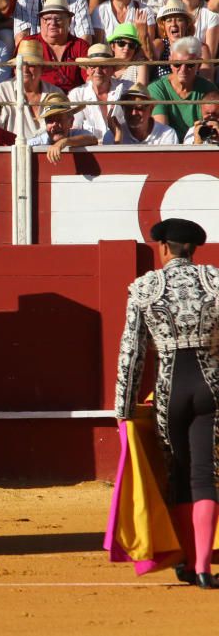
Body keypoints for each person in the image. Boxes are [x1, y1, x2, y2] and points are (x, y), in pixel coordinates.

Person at [114, 217, 219, 590]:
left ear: (163, 248)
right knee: (205, 475)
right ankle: (205, 567)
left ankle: (188, 564)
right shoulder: (215, 281)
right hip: (210, 387)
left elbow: (133, 352)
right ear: (193, 249)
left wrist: (123, 410)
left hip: (170, 390)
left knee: (179, 476)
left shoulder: (146, 287)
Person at [0, 40, 65, 142]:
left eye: (31, 64)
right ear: (14, 69)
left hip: (49, 152)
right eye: (20, 64)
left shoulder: (55, 93)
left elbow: (66, 127)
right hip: (13, 152)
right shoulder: (2, 91)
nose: (25, 69)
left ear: (42, 69)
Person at [18, 0, 90, 93]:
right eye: (47, 19)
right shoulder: (28, 44)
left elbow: (90, 79)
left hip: (73, 103)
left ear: (69, 21)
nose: (52, 23)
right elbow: (17, 78)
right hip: (40, 101)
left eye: (58, 18)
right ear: (41, 21)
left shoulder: (80, 46)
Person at [150, 36, 218, 138]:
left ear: (199, 64)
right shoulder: (157, 88)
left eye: (189, 65)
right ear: (170, 62)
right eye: (177, 64)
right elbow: (162, 132)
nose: (183, 69)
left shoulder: (208, 89)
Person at [68, 43, 131, 141]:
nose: (98, 70)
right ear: (88, 70)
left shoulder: (128, 89)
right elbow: (74, 131)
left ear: (112, 69)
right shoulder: (76, 95)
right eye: (93, 66)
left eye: (103, 66)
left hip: (124, 149)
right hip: (90, 153)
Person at [13, 0, 93, 44]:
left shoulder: (78, 0)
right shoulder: (24, 1)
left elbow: (85, 39)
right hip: (35, 57)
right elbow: (21, 40)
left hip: (69, 57)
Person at [27, 91, 98, 163]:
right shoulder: (33, 144)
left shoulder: (79, 134)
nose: (54, 124)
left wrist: (64, 142)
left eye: (59, 119)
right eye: (50, 121)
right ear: (45, 123)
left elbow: (93, 139)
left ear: (71, 121)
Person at [171, 0, 218, 73]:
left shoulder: (211, 15)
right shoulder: (167, 12)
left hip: (199, 69)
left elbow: (209, 56)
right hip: (173, 67)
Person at [103, 82, 179, 144]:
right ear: (123, 108)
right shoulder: (111, 136)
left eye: (139, 108)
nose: (133, 113)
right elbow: (113, 162)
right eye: (128, 107)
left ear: (151, 109)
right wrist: (118, 137)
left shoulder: (167, 134)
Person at [153, 0, 209, 81]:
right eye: (169, 20)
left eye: (179, 20)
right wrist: (144, 36)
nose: (173, 24)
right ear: (163, 26)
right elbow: (150, 57)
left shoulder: (201, 48)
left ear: (187, 24)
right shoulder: (160, 44)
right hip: (164, 93)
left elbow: (207, 82)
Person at [109, 21, 150, 86]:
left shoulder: (139, 66)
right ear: (113, 46)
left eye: (132, 45)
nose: (127, 47)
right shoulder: (104, 67)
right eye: (121, 43)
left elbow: (141, 91)